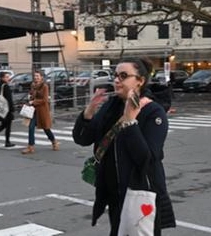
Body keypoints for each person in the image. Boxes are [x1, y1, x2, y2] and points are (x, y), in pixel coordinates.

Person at [72, 57, 175, 235]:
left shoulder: (153, 111)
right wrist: (89, 112)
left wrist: (130, 122)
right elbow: (82, 139)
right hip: (114, 192)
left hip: (140, 192)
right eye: (115, 75)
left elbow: (146, 158)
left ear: (140, 81)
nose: (117, 80)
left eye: (124, 75)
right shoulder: (111, 107)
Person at [21, 70, 59, 154]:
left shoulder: (44, 86)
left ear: (41, 77)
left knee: (46, 128)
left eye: (37, 76)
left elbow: (45, 100)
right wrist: (30, 98)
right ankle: (30, 146)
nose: (36, 77)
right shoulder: (33, 85)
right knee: (31, 127)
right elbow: (32, 95)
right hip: (33, 110)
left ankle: (54, 141)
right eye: (35, 76)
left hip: (42, 110)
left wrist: (34, 102)